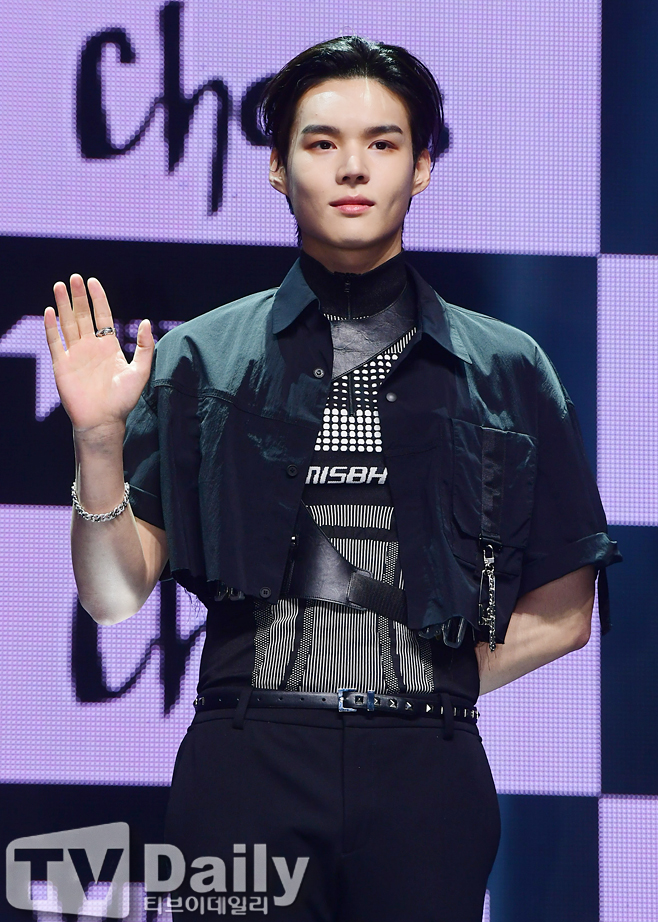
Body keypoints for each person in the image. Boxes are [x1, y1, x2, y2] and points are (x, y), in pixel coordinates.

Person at [44, 36, 621, 922]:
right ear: (278, 167)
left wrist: (429, 684)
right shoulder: (200, 358)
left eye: (383, 143)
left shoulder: (507, 368)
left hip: (429, 770)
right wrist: (96, 441)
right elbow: (115, 599)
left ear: (422, 166)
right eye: (322, 143)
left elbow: (568, 610)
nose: (354, 168)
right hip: (247, 762)